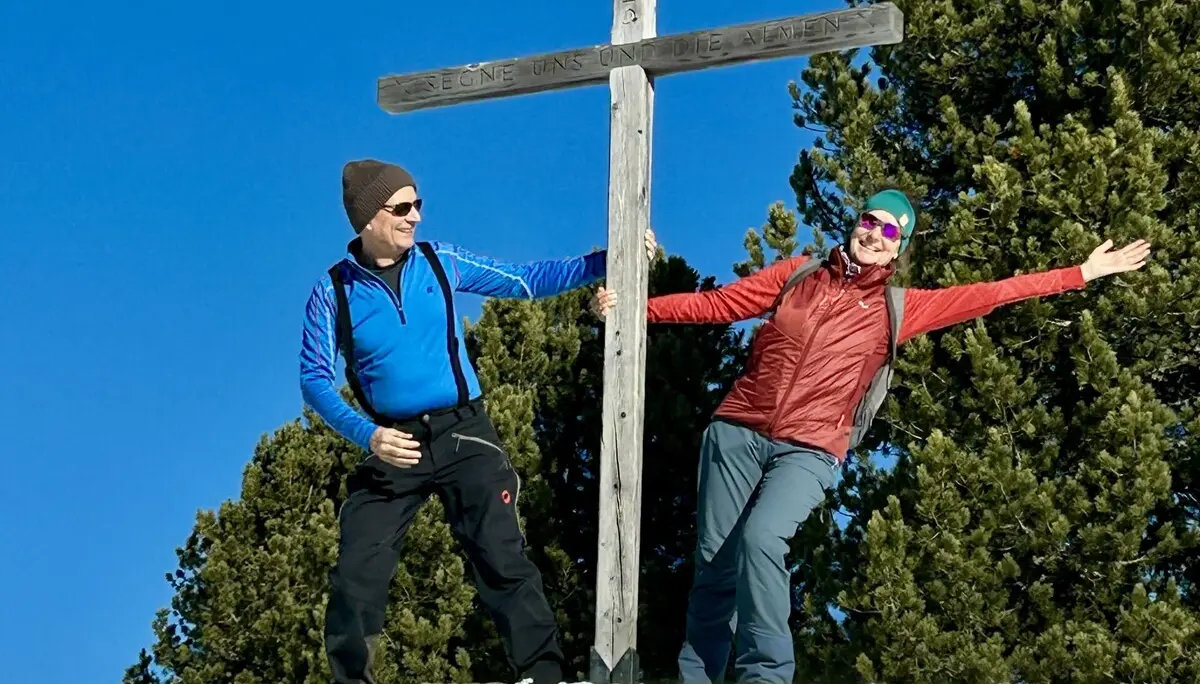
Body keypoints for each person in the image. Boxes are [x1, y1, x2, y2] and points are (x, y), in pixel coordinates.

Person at [590, 187, 1151, 684]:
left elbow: (993, 293)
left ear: (899, 247)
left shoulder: (896, 308)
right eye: (869, 220)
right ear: (855, 223)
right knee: (715, 567)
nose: (875, 233)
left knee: (763, 539)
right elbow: (718, 305)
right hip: (738, 430)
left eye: (890, 229)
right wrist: (635, 310)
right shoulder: (798, 275)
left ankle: (765, 676)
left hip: (810, 448)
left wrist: (1080, 274)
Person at [300, 158, 655, 684]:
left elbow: (527, 281)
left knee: (499, 553)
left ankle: (543, 674)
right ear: (368, 217)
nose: (416, 216)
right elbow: (314, 379)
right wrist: (368, 435)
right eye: (403, 207)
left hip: (464, 431)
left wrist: (612, 259)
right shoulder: (333, 293)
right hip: (392, 443)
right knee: (357, 574)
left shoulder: (440, 262)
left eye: (418, 204)